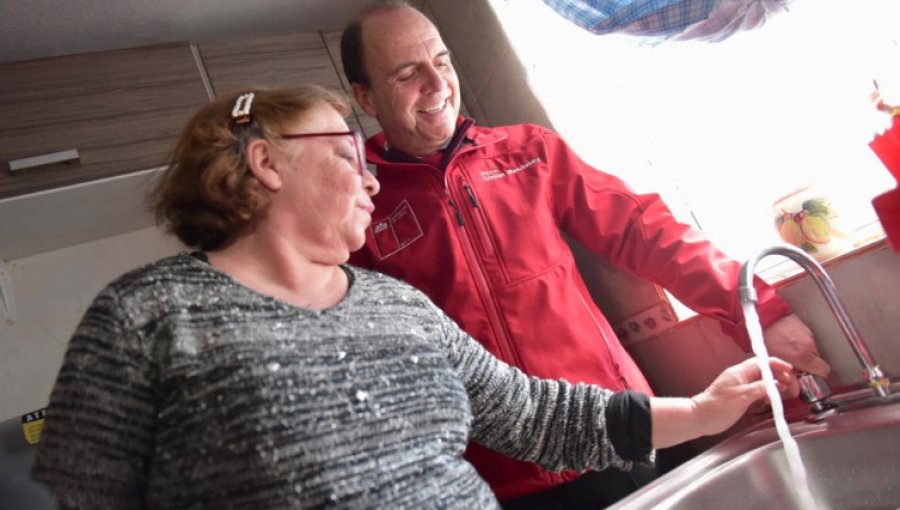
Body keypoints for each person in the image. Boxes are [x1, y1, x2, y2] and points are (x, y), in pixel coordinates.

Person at [29, 85, 799, 510]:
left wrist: (702, 411)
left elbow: (537, 417)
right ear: (264, 162)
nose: (369, 175)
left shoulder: (399, 306)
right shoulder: (146, 315)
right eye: (341, 151)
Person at [339, 1, 830, 507]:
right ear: (366, 96)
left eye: (441, 61)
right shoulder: (359, 208)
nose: (437, 84)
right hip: (500, 486)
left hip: (620, 437)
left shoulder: (528, 151)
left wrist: (758, 312)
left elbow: (645, 232)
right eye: (407, 74)